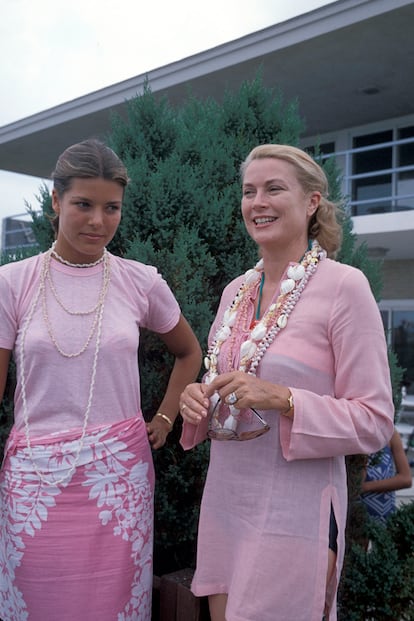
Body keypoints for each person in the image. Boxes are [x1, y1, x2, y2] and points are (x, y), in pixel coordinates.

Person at [179, 144, 394, 621]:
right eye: (249, 191)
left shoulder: (345, 287)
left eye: (274, 188)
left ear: (312, 202)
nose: (258, 202)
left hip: (295, 511)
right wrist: (199, 397)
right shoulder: (236, 291)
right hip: (226, 501)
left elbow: (376, 420)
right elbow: (222, 378)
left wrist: (285, 399)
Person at [0, 139, 202, 621]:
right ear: (55, 202)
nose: (98, 221)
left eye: (111, 208)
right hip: (35, 485)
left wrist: (166, 416)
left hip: (118, 484)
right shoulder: (12, 283)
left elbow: (190, 352)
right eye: (83, 205)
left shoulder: (140, 281)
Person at [361, 428, 412, 523]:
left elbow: (406, 479)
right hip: (356, 516)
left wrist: (366, 487)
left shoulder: (390, 433)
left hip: (384, 516)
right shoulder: (353, 434)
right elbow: (358, 480)